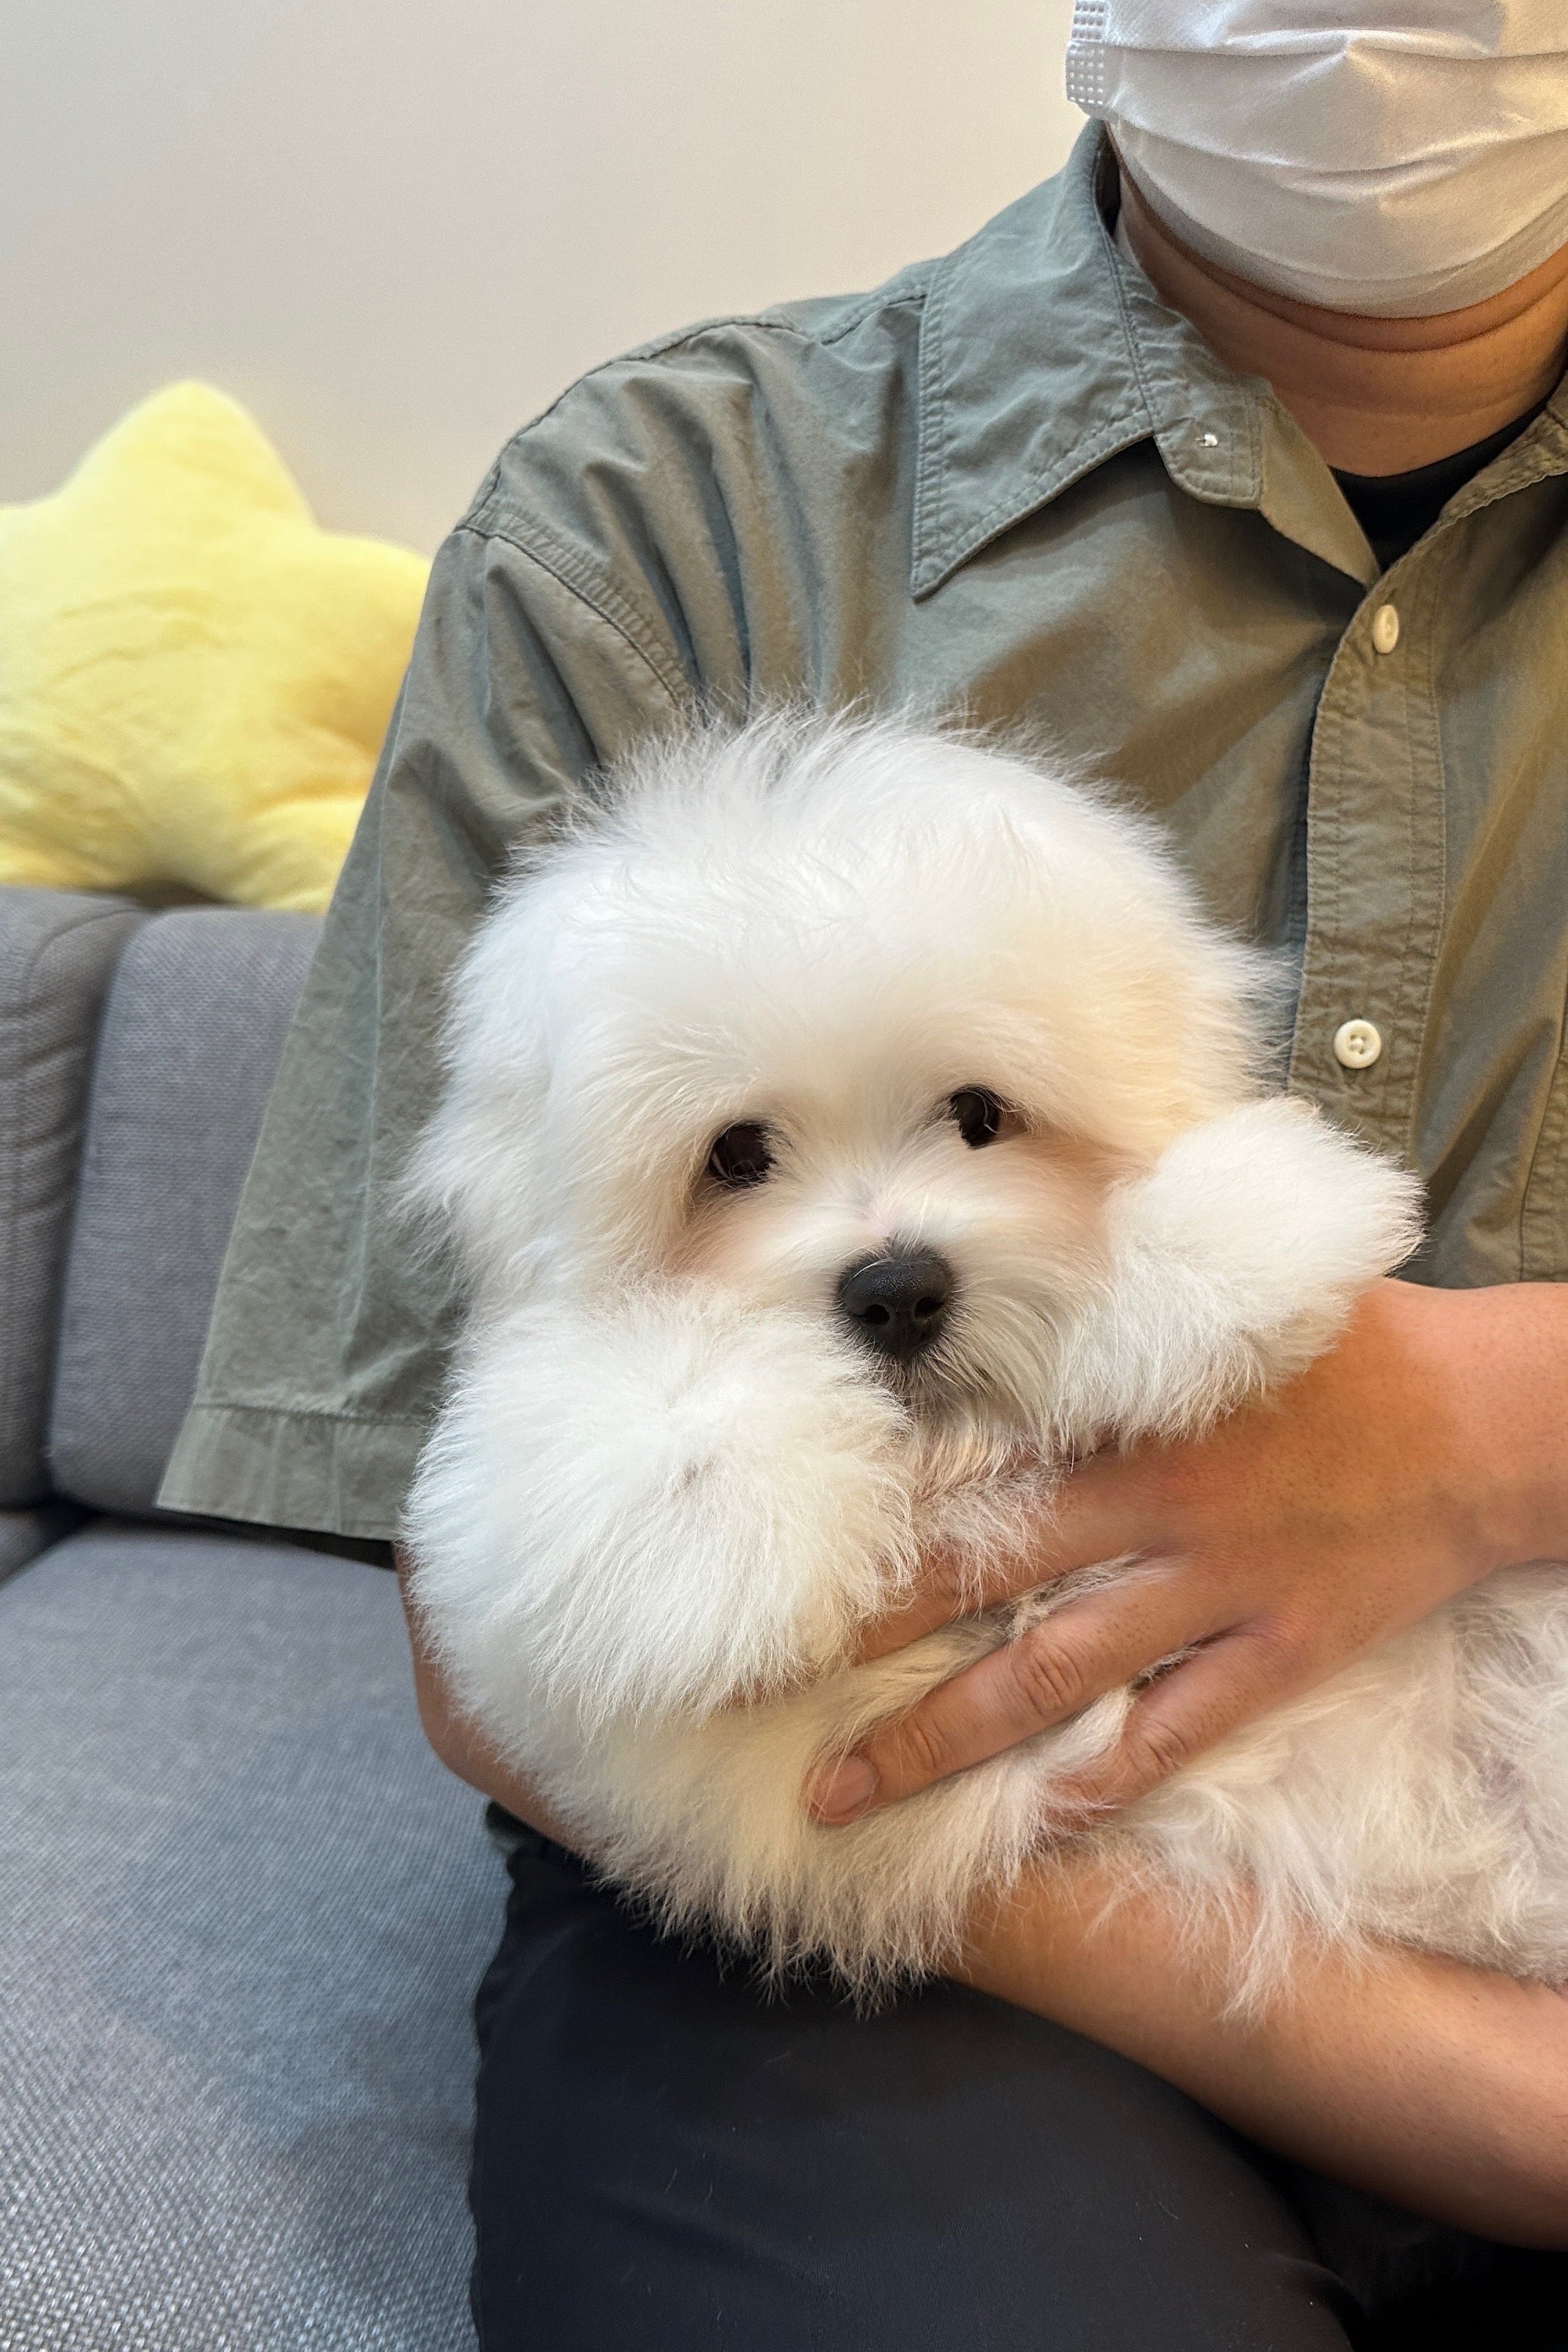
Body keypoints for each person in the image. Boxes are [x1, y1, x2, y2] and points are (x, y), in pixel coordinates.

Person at [162, 8, 1568, 2345]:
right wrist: (1476, 2095)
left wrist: (1480, 1423)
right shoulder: (661, 520)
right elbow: (515, 1624)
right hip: (878, 1939)